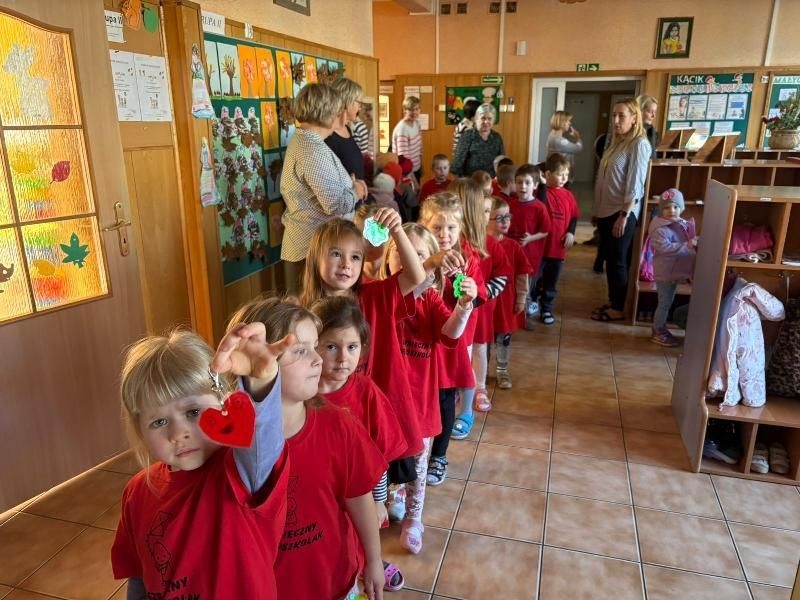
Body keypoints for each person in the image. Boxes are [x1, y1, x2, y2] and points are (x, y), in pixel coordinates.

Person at [112, 325, 291, 598]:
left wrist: (261, 382)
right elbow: (139, 576)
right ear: (140, 430)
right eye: (159, 421)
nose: (178, 433)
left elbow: (264, 446)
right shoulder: (136, 493)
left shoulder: (241, 472)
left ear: (221, 403)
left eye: (193, 411)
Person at [228, 297, 387, 600]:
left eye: (315, 347)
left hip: (336, 581)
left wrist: (374, 560)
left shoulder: (339, 425)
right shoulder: (232, 447)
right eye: (300, 351)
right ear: (256, 361)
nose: (318, 359)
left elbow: (359, 498)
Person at [299, 210, 427, 479]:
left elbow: (416, 277)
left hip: (374, 410)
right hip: (324, 413)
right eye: (336, 254)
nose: (346, 264)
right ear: (315, 259)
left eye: (355, 257)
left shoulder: (374, 296)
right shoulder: (302, 312)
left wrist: (397, 231)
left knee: (373, 475)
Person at [378, 223, 474, 554]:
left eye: (419, 256)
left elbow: (449, 335)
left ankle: (414, 519)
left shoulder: (431, 299)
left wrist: (463, 307)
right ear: (389, 257)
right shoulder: (382, 297)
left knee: (418, 468)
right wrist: (430, 263)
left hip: (419, 401)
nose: (409, 263)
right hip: (384, 402)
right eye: (401, 253)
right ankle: (391, 499)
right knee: (385, 460)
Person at [310, 295, 407, 592]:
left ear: (362, 349)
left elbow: (379, 457)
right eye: (331, 347)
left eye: (351, 347)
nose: (342, 358)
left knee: (363, 541)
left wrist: (379, 500)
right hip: (320, 495)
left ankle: (371, 565)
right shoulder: (302, 390)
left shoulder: (366, 392)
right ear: (312, 347)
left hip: (362, 494)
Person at [417, 193, 486, 479]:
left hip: (451, 344)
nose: (444, 235)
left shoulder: (468, 260)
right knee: (419, 396)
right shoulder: (419, 255)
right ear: (424, 225)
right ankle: (411, 453)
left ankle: (439, 456)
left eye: (451, 228)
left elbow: (480, 295)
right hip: (420, 342)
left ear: (461, 229)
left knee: (446, 399)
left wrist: (470, 291)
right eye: (437, 228)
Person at [280, 83, 364, 294]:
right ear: (326, 112)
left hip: (314, 249)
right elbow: (334, 204)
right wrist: (356, 191)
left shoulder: (310, 143)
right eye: (338, 110)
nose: (341, 116)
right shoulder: (311, 149)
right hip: (309, 252)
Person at [451, 178, 510, 416]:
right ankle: (459, 386)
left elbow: (502, 275)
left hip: (478, 311)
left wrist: (480, 299)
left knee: (478, 349)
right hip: (453, 314)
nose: (488, 215)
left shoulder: (488, 244)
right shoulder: (448, 242)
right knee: (457, 351)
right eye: (484, 210)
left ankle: (479, 387)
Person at [591, 98, 651, 322]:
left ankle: (619, 308)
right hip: (607, 211)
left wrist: (624, 215)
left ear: (634, 118)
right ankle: (614, 300)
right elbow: (604, 178)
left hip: (622, 212)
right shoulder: (617, 142)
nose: (615, 120)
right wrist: (598, 210)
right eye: (614, 115)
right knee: (609, 259)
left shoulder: (639, 144)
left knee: (618, 261)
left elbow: (636, 184)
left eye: (622, 116)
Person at [488, 197, 533, 389]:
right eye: (499, 218)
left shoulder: (513, 246)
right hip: (486, 303)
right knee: (483, 340)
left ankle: (502, 370)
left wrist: (522, 298)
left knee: (503, 337)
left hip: (506, 303)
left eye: (508, 217)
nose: (505, 221)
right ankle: (479, 372)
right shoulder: (480, 244)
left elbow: (523, 274)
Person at [532, 154, 580, 326]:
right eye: (560, 174)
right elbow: (542, 206)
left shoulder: (568, 195)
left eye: (566, 174)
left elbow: (574, 216)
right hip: (541, 249)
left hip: (558, 250)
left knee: (551, 282)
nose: (564, 178)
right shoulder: (540, 192)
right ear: (547, 174)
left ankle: (546, 308)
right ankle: (532, 302)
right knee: (535, 279)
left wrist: (571, 233)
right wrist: (543, 185)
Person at [648, 188, 696, 347]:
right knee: (665, 302)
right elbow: (665, 248)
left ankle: (660, 328)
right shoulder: (658, 228)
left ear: (681, 208)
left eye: (675, 207)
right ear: (661, 210)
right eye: (667, 207)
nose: (671, 211)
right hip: (665, 272)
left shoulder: (679, 223)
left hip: (675, 271)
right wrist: (687, 245)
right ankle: (658, 330)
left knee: (668, 300)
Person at [507, 163, 551, 327]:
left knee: (526, 289)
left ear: (535, 185)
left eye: (527, 182)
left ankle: (525, 317)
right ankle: (512, 315)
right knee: (512, 286)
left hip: (530, 257)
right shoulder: (510, 205)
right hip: (511, 257)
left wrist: (531, 238)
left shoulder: (539, 207)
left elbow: (546, 230)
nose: (522, 186)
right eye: (519, 182)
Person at [326, 77, 369, 186]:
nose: (360, 108)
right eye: (359, 103)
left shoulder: (348, 129)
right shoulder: (328, 136)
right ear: (347, 101)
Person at [452, 103, 505, 177]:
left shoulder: (497, 137)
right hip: (470, 182)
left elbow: (502, 162)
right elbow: (457, 163)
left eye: (489, 119)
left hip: (490, 182)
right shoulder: (467, 135)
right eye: (483, 118)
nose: (486, 122)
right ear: (476, 119)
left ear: (493, 121)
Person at [392, 96, 423, 181]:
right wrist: (413, 180)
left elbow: (419, 147)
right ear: (405, 110)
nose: (415, 112)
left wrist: (421, 165)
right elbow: (404, 160)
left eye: (417, 109)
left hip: (417, 168)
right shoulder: (402, 129)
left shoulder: (417, 124)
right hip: (406, 172)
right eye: (411, 109)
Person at [546, 110, 583, 181]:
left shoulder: (551, 135)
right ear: (561, 122)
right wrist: (578, 137)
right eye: (568, 121)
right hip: (560, 174)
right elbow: (579, 148)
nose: (570, 123)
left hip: (555, 171)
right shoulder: (560, 141)